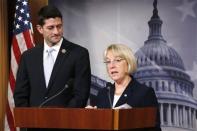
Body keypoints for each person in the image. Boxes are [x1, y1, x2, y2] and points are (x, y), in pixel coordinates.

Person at [14, 5, 91, 108]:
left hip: (66, 121)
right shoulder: (28, 57)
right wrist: (29, 120)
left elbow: (81, 95)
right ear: (40, 29)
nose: (56, 32)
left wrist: (63, 118)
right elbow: (20, 95)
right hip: (34, 122)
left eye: (59, 26)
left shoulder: (79, 54)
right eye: (51, 28)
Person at [87, 44, 161, 131]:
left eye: (117, 60)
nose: (111, 66)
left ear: (129, 63)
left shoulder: (144, 93)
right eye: (108, 62)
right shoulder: (103, 93)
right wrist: (90, 117)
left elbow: (154, 128)